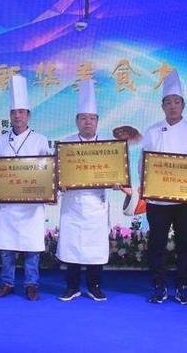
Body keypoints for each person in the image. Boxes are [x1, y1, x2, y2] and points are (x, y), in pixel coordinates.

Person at [56, 79, 130, 302]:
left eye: (92, 118)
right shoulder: (66, 144)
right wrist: (59, 182)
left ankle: (95, 286)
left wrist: (118, 182)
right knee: (71, 246)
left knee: (95, 247)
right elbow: (56, 174)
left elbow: (118, 173)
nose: (87, 122)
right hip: (72, 203)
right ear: (77, 121)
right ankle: (72, 287)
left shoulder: (108, 145)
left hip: (96, 204)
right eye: (83, 118)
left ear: (97, 121)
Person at [142, 70, 187, 305]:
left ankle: (182, 287)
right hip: (157, 201)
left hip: (184, 201)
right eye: (168, 102)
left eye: (176, 102)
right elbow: (143, 164)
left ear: (183, 105)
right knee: (157, 245)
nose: (172, 106)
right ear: (162, 106)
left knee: (185, 245)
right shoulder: (151, 131)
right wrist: (144, 190)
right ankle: (159, 286)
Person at [0, 75, 50, 301]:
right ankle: (7, 282)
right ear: (9, 115)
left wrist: (48, 192)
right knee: (6, 246)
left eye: (22, 112)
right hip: (7, 204)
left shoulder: (40, 140)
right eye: (14, 112)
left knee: (31, 246)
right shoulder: (0, 140)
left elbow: (48, 172)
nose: (17, 116)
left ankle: (31, 284)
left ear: (28, 115)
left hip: (31, 205)